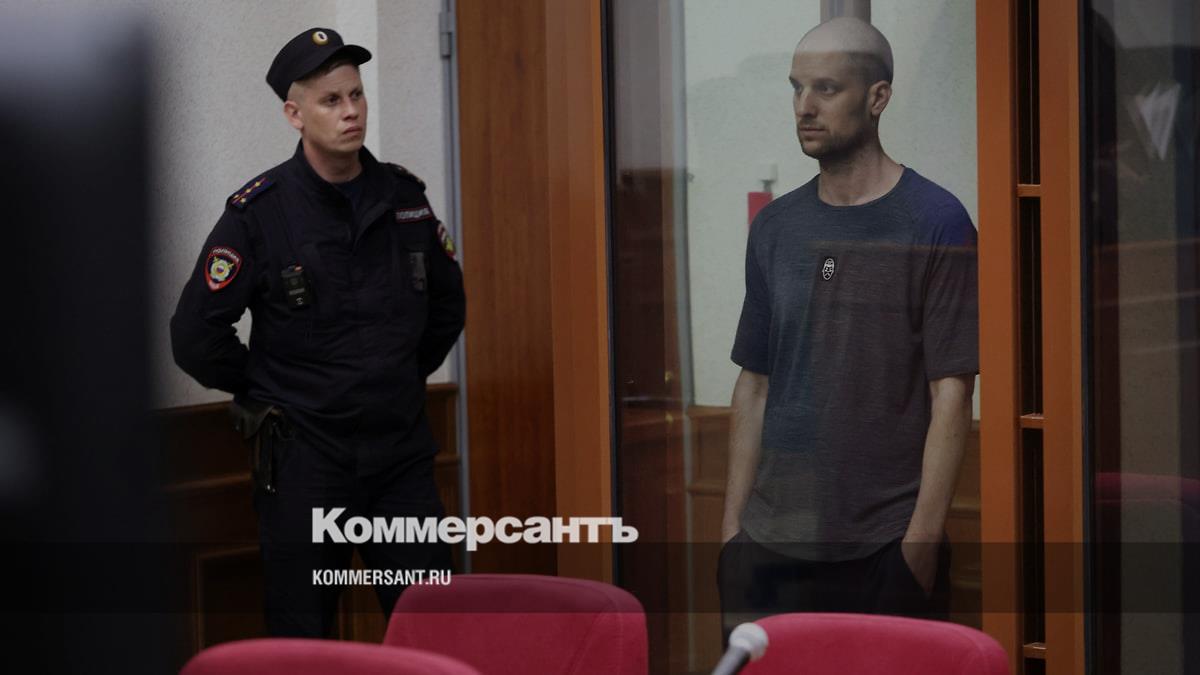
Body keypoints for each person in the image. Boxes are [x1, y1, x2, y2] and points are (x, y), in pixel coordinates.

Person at [170, 27, 465, 637]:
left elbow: (447, 307)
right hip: (306, 460)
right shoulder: (260, 213)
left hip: (399, 458)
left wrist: (399, 376)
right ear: (294, 114)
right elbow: (196, 336)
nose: (351, 110)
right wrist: (269, 386)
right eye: (331, 100)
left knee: (432, 625)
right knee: (301, 635)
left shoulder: (404, 198)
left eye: (356, 94)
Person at [718, 17, 978, 635]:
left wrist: (920, 545)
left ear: (877, 97)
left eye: (826, 88)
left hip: (885, 548)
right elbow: (755, 383)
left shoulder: (936, 221)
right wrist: (731, 533)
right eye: (796, 87)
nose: (804, 107)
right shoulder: (776, 227)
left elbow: (952, 392)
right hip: (769, 547)